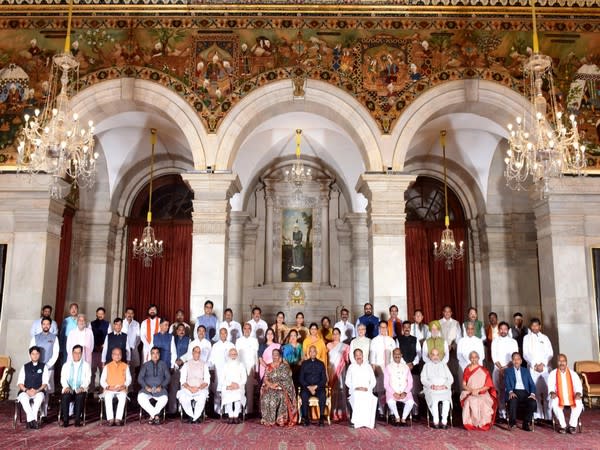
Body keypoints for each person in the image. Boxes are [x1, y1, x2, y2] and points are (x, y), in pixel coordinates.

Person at [523, 318, 553, 420]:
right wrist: (534, 365)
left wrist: (543, 364)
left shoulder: (545, 338)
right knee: (534, 392)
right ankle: (537, 416)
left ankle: (548, 417)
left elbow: (550, 353)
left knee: (546, 392)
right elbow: (525, 354)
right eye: (533, 325)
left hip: (544, 369)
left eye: (537, 325)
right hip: (533, 368)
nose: (535, 327)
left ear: (540, 326)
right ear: (530, 326)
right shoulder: (526, 338)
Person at [548, 353, 584, 434]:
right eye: (559, 361)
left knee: (578, 402)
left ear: (566, 362)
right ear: (557, 362)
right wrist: (552, 392)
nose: (561, 363)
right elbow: (550, 387)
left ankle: (572, 425)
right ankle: (563, 426)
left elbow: (578, 386)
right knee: (555, 401)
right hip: (559, 396)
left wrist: (578, 393)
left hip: (571, 396)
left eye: (563, 361)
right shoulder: (553, 374)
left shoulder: (573, 374)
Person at [260, 348, 297, 426]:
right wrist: (271, 385)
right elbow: (265, 379)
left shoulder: (284, 366)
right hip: (270, 387)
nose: (275, 356)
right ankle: (268, 419)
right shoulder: (268, 366)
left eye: (276, 355)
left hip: (281, 389)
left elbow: (288, 379)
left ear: (279, 356)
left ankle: (281, 419)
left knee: (280, 396)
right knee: (266, 397)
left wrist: (278, 384)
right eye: (273, 355)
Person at [460, 351, 496, 431]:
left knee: (482, 401)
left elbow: (488, 386)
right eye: (472, 357)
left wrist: (478, 390)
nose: (474, 359)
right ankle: (471, 423)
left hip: (482, 393)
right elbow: (464, 384)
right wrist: (471, 390)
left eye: (475, 357)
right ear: (469, 359)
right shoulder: (466, 369)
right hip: (470, 392)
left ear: (478, 358)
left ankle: (482, 424)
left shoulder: (484, 370)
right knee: (470, 400)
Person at [491, 321, 518, 421]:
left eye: (505, 329)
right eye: (501, 329)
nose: (503, 331)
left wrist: (506, 368)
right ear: (499, 330)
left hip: (510, 369)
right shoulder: (495, 341)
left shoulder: (513, 342)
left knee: (510, 390)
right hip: (497, 369)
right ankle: (501, 413)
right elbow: (494, 356)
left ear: (508, 330)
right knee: (500, 391)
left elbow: (515, 358)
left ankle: (511, 413)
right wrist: (501, 368)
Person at [421, 348, 453, 429]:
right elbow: (423, 379)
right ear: (430, 356)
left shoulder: (444, 365)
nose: (435, 357)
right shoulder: (426, 366)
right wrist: (431, 385)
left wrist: (445, 385)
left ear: (439, 356)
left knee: (446, 400)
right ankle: (436, 421)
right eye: (433, 354)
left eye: (437, 355)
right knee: (434, 400)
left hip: (444, 389)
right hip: (432, 389)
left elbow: (451, 379)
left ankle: (444, 421)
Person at [17, 346, 49, 429]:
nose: (35, 356)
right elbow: (20, 383)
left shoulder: (44, 367)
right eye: (33, 354)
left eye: (37, 354)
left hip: (38, 391)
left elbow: (45, 383)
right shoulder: (24, 367)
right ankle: (33, 421)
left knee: (39, 399)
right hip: (25, 391)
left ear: (39, 355)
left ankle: (29, 421)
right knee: (24, 399)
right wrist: (27, 390)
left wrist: (37, 390)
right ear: (30, 355)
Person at [370, 320, 397, 416]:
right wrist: (374, 369)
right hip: (379, 368)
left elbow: (395, 355)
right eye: (381, 327)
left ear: (387, 328)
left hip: (390, 368)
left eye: (385, 327)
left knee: (390, 389)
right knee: (380, 390)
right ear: (378, 328)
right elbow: (372, 357)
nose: (383, 329)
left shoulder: (391, 340)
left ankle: (392, 412)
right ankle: (381, 411)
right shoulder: (374, 341)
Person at [60, 345, 91, 427]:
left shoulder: (86, 365)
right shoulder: (66, 365)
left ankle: (77, 420)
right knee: (65, 396)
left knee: (80, 396)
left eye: (79, 353)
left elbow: (88, 379)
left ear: (81, 354)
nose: (77, 355)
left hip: (80, 389)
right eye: (75, 352)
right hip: (69, 388)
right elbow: (63, 378)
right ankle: (65, 420)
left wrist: (82, 387)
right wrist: (66, 387)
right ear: (72, 353)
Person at [345, 348, 377, 429]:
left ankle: (367, 422)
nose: (358, 357)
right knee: (357, 396)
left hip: (367, 390)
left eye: (360, 355)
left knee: (370, 398)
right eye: (356, 355)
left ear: (363, 356)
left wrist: (368, 388)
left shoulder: (368, 366)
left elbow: (373, 381)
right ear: (354, 357)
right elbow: (347, 381)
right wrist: (356, 388)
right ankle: (357, 422)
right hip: (355, 390)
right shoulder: (351, 367)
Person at [177, 345, 210, 423]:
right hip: (188, 388)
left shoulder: (204, 364)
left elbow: (207, 380)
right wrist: (190, 388)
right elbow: (182, 380)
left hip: (200, 389)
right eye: (196, 352)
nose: (197, 354)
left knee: (202, 397)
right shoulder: (186, 364)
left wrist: (198, 388)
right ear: (192, 353)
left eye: (199, 352)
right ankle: (191, 416)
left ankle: (196, 416)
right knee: (183, 396)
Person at [138, 347, 171, 424]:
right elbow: (140, 378)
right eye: (153, 353)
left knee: (164, 398)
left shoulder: (163, 364)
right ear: (151, 354)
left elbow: (168, 378)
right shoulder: (146, 365)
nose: (155, 355)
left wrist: (161, 386)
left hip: (160, 389)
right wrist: (146, 387)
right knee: (140, 397)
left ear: (159, 354)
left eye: (157, 353)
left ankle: (151, 416)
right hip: (147, 389)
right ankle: (155, 415)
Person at [505, 352, 537, 431]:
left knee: (532, 402)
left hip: (525, 393)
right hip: (514, 391)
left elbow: (532, 384)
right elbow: (507, 383)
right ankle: (512, 423)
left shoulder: (526, 371)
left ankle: (526, 423)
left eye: (518, 359)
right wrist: (510, 392)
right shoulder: (508, 371)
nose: (516, 361)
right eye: (514, 359)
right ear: (512, 361)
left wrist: (532, 394)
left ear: (521, 361)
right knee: (513, 400)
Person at [100, 347, 131, 426]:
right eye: (115, 354)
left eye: (119, 354)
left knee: (123, 396)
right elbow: (102, 380)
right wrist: (108, 387)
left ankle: (118, 419)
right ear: (112, 355)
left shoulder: (125, 366)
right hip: (110, 389)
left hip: (121, 389)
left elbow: (129, 379)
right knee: (107, 397)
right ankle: (110, 419)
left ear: (121, 355)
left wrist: (124, 386)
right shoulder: (107, 366)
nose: (117, 356)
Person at [384, 348, 415, 426]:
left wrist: (405, 392)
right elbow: (386, 384)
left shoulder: (406, 367)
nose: (397, 356)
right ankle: (397, 418)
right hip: (392, 392)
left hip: (405, 392)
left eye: (399, 354)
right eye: (395, 354)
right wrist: (394, 393)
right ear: (393, 355)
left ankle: (403, 418)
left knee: (410, 402)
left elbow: (410, 382)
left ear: (401, 355)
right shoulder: (388, 367)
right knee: (391, 402)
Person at [299, 345, 328, 426]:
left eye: (314, 351)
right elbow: (301, 378)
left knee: (322, 395)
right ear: (308, 353)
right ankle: (305, 418)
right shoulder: (304, 364)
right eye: (310, 351)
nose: (312, 353)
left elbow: (324, 379)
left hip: (318, 387)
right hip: (307, 387)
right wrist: (308, 386)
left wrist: (316, 387)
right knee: (304, 395)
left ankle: (321, 418)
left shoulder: (321, 364)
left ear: (316, 353)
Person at [29, 317, 59, 394]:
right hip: (36, 367)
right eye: (44, 324)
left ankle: (45, 406)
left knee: (47, 389)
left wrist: (48, 365)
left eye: (48, 324)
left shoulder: (54, 338)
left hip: (49, 367)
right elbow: (31, 352)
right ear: (41, 325)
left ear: (50, 325)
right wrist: (35, 364)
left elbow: (56, 353)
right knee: (36, 387)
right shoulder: (35, 337)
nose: (46, 326)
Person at [209, 327, 235, 414]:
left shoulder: (231, 345)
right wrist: (212, 371)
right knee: (217, 391)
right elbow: (211, 359)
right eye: (221, 333)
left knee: (227, 391)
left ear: (227, 334)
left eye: (225, 333)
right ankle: (217, 411)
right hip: (217, 371)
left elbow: (234, 358)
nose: (223, 335)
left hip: (229, 372)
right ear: (219, 335)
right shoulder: (215, 345)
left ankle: (227, 411)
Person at [236, 322, 259, 416]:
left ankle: (249, 411)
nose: (246, 330)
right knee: (241, 389)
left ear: (251, 330)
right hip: (241, 367)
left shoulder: (254, 340)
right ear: (242, 330)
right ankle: (240, 410)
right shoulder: (238, 340)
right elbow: (236, 355)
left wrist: (256, 369)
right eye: (245, 328)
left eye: (248, 328)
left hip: (251, 367)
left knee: (250, 389)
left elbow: (256, 356)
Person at [327, 327, 350, 422]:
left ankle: (342, 413)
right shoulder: (328, 345)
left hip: (341, 371)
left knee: (341, 390)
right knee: (332, 391)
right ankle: (333, 413)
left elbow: (347, 361)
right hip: (331, 370)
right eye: (334, 333)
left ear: (340, 335)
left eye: (337, 333)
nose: (335, 335)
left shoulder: (345, 346)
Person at [220, 348, 248, 423]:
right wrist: (229, 385)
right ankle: (230, 415)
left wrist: (237, 385)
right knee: (228, 395)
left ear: (237, 355)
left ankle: (236, 415)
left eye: (235, 354)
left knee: (238, 396)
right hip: (228, 386)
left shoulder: (241, 365)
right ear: (229, 355)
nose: (233, 356)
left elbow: (244, 378)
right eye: (232, 354)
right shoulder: (225, 365)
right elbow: (222, 379)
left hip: (238, 386)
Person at [169, 323, 191, 415]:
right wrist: (175, 363)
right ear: (176, 331)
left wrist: (181, 360)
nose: (181, 331)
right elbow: (172, 351)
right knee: (174, 388)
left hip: (185, 366)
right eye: (179, 330)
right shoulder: (173, 339)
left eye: (183, 330)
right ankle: (172, 410)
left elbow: (189, 353)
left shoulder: (188, 340)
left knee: (183, 387)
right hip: (175, 366)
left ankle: (183, 410)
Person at [90, 307, 112, 391]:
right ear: (96, 314)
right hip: (93, 351)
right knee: (92, 372)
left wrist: (104, 345)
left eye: (102, 314)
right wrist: (94, 345)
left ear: (104, 315)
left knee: (103, 372)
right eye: (99, 313)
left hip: (104, 351)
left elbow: (109, 337)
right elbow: (90, 337)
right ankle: (91, 390)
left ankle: (102, 390)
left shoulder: (108, 324)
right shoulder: (91, 324)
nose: (100, 315)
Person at [122, 307, 141, 374]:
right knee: (122, 368)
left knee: (132, 369)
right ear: (125, 314)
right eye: (128, 313)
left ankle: (131, 384)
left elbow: (138, 337)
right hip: (122, 350)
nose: (130, 315)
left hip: (132, 349)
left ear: (133, 315)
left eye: (131, 313)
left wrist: (134, 347)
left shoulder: (136, 324)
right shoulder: (121, 323)